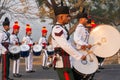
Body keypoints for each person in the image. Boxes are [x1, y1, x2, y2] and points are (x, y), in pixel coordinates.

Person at [51, 3, 86, 80]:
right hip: (62, 63)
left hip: (67, 62)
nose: (69, 18)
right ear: (61, 17)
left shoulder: (62, 28)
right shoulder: (57, 29)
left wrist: (79, 48)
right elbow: (65, 45)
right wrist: (79, 56)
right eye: (67, 16)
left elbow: (70, 44)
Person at [73, 13, 92, 80]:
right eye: (85, 19)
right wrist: (85, 45)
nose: (87, 20)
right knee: (81, 73)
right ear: (81, 19)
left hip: (84, 51)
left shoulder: (83, 28)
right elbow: (76, 39)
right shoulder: (79, 28)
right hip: (80, 51)